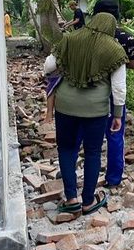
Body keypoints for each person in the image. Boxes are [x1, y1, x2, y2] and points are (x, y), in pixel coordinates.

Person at [44, 12, 128, 216]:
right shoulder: (115, 50)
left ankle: (71, 198)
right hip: (96, 110)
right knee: (92, 152)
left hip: (66, 107)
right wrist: (117, 115)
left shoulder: (69, 39)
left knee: (66, 148)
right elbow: (119, 87)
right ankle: (88, 201)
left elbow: (48, 66)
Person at [91, 0, 134, 188]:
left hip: (90, 91)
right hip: (115, 93)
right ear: (117, 16)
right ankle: (113, 179)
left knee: (88, 135)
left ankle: (86, 179)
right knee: (115, 134)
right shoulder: (126, 38)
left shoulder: (88, 37)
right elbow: (133, 64)